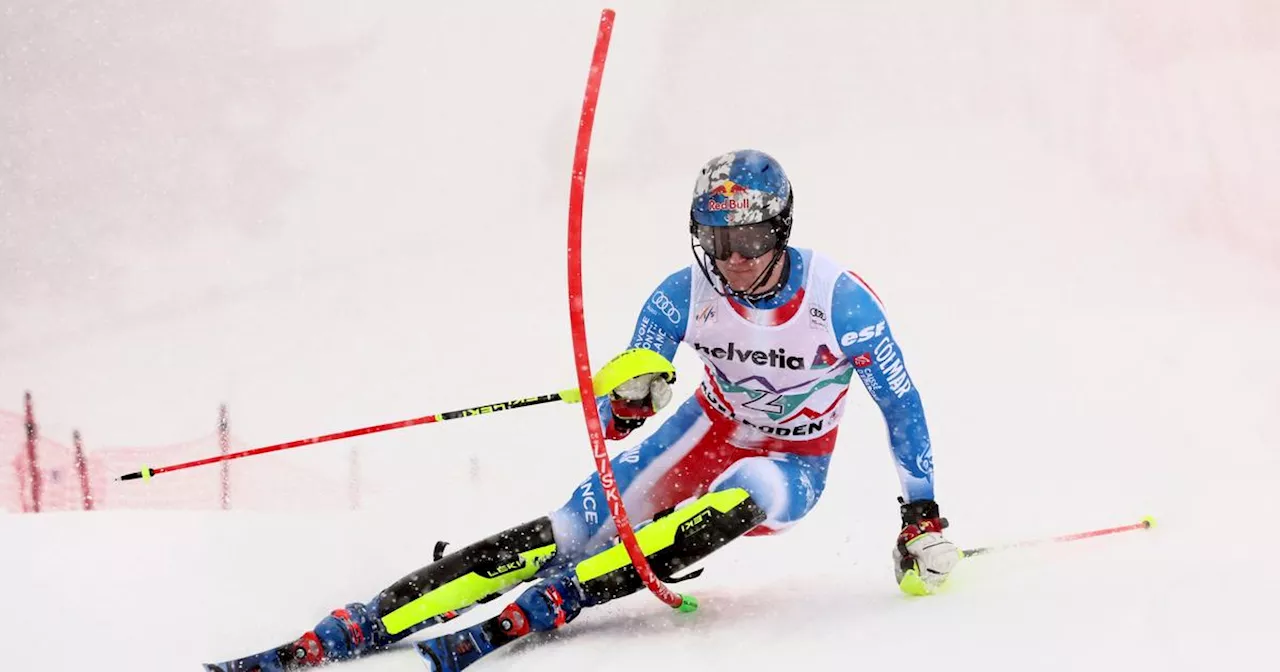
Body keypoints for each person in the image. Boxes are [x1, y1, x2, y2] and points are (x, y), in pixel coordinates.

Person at [205, 149, 959, 672]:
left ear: (782, 229)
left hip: (794, 460)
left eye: (751, 238)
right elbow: (623, 404)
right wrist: (630, 403)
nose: (734, 260)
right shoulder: (680, 295)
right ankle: (371, 616)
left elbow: (900, 402)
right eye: (718, 241)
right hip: (707, 428)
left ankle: (552, 603)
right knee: (572, 526)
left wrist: (919, 515)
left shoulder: (840, 301)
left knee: (746, 498)